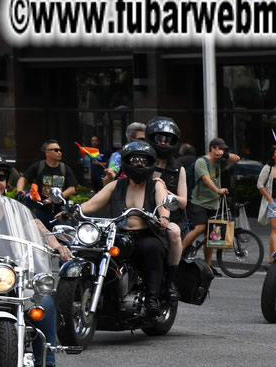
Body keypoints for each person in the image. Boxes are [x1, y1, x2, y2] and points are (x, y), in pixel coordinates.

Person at [0, 151, 69, 367]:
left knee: (44, 301)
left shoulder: (15, 209)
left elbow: (36, 226)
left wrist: (56, 245)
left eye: (0, 177)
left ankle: (45, 365)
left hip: (10, 278)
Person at [78, 140, 173, 315]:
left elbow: (163, 204)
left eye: (143, 160)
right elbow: (91, 204)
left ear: (150, 163)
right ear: (126, 162)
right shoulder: (116, 186)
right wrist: (73, 209)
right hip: (118, 235)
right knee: (93, 251)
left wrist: (164, 218)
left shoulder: (156, 184)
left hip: (145, 234)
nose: (138, 163)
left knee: (153, 248)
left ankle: (152, 298)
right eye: (134, 159)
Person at [144, 116, 186, 294]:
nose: (163, 143)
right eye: (159, 138)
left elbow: (183, 202)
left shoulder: (179, 169)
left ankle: (170, 278)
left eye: (167, 139)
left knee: (174, 233)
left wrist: (164, 191)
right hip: (142, 214)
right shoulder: (142, 163)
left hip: (170, 218)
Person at [182, 138, 239, 268]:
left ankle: (207, 266)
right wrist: (218, 190)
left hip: (214, 204)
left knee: (211, 236)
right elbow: (206, 179)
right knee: (200, 227)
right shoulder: (201, 162)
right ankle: (178, 251)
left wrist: (224, 155)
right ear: (213, 148)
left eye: (223, 149)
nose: (221, 151)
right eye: (219, 148)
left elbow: (236, 159)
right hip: (198, 202)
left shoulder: (220, 161)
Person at [15, 140, 78, 227]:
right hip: (41, 212)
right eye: (56, 150)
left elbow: (72, 189)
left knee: (63, 239)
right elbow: (22, 179)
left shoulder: (65, 168)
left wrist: (55, 198)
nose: (59, 153)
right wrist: (20, 191)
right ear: (47, 152)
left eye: (60, 150)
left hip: (61, 214)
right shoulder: (39, 166)